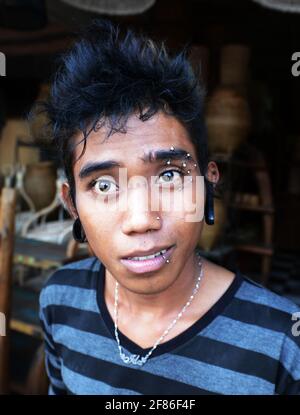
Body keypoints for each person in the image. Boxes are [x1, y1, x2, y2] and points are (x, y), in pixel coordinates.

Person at [38, 19, 300, 395]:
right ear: (72, 204)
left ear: (209, 184)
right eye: (104, 184)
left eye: (169, 176)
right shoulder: (59, 301)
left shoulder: (282, 340)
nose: (142, 220)